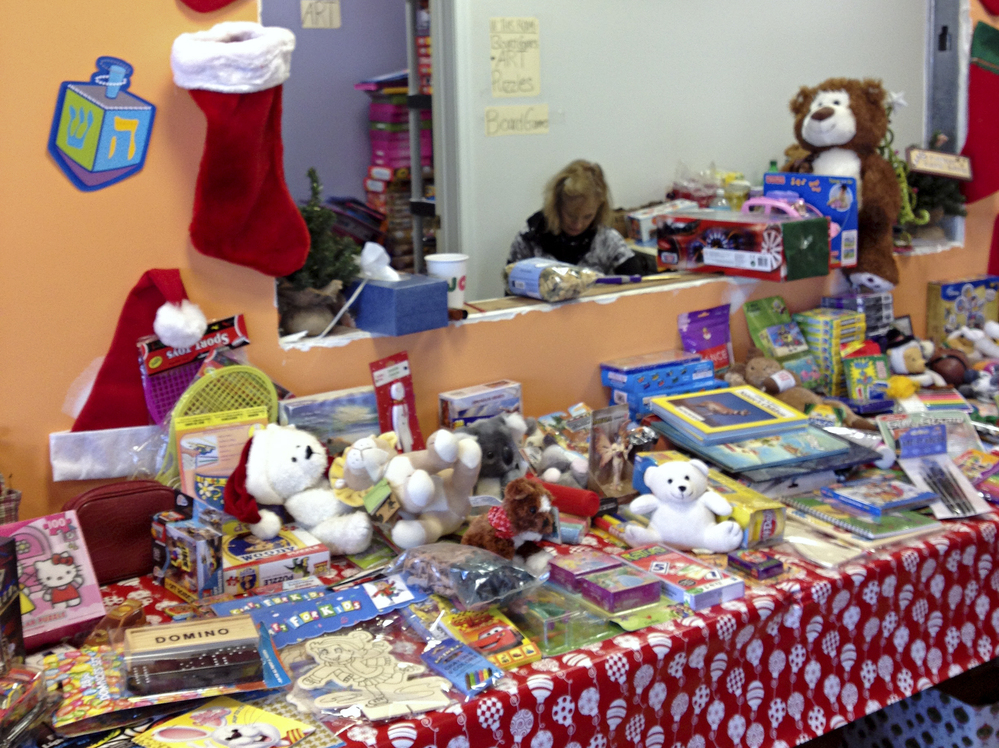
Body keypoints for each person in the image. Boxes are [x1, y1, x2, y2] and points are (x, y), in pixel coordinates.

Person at [507, 160, 647, 276]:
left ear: (599, 209)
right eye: (571, 215)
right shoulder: (529, 238)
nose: (578, 225)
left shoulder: (607, 239)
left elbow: (638, 286)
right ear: (557, 205)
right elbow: (510, 293)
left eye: (588, 216)